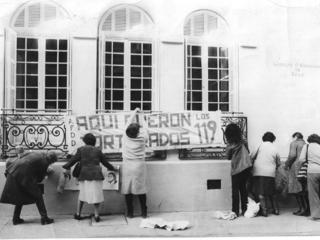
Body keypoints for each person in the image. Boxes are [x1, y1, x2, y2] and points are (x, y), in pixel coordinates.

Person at [63, 133, 117, 222]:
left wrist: (66, 166)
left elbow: (73, 160)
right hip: (96, 175)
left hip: (84, 175)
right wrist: (113, 168)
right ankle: (96, 215)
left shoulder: (81, 150)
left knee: (82, 195)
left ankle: (78, 214)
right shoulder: (98, 150)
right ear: (94, 141)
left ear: (84, 141)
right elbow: (105, 163)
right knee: (96, 195)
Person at [0, 151, 58, 225]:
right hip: (23, 175)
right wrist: (46, 172)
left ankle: (16, 219)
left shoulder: (36, 153)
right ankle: (44, 218)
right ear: (51, 160)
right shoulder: (45, 162)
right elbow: (40, 178)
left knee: (19, 195)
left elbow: (22, 155)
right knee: (38, 196)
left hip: (13, 170)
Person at [121, 108, 148, 218]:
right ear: (138, 132)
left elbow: (128, 122)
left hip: (127, 165)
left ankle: (130, 212)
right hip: (139, 165)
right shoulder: (143, 138)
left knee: (128, 189)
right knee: (141, 188)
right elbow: (145, 127)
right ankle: (144, 212)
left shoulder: (125, 136)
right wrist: (141, 115)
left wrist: (134, 112)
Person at [224, 123, 252, 217]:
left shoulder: (230, 145)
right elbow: (248, 151)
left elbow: (228, 157)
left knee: (235, 191)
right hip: (246, 168)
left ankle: (235, 211)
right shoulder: (244, 141)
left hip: (236, 169)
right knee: (244, 189)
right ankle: (245, 210)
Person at [250, 132, 281, 217]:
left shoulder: (259, 145)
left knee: (260, 191)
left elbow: (251, 156)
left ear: (263, 138)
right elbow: (278, 162)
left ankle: (264, 211)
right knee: (272, 192)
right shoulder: (275, 148)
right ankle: (276, 210)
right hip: (271, 173)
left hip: (258, 171)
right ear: (273, 139)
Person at [284, 132, 309, 216]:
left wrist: (286, 165)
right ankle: (307, 209)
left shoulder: (294, 143)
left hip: (296, 167)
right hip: (305, 168)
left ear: (295, 137)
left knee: (296, 189)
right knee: (304, 189)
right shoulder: (306, 144)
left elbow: (292, 155)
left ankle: (302, 209)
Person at [298, 134, 320, 220]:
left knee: (313, 194)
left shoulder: (307, 146)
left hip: (312, 171)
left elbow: (301, 159)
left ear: (309, 140)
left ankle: (317, 216)